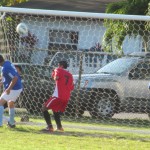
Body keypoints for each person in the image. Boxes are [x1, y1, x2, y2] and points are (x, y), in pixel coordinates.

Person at [42, 60, 74, 132]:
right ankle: (59, 127)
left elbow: (56, 78)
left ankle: (49, 127)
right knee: (55, 110)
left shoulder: (58, 69)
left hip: (58, 96)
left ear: (61, 66)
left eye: (58, 65)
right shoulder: (70, 75)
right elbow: (72, 87)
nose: (57, 66)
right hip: (66, 98)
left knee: (44, 108)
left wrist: (54, 74)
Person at [0, 55, 23, 128]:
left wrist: (9, 89)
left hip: (14, 88)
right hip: (18, 87)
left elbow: (15, 78)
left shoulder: (5, 68)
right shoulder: (7, 63)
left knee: (0, 102)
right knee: (10, 103)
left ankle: (0, 123)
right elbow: (5, 77)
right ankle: (12, 123)